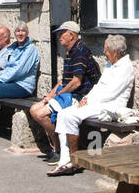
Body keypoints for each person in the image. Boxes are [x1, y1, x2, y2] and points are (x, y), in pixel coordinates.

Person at [48, 35, 135, 176]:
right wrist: (87, 98)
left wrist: (89, 102)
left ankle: (75, 161)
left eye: (106, 50)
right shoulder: (110, 64)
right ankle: (64, 160)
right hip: (97, 103)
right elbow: (99, 86)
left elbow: (112, 93)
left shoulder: (125, 67)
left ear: (115, 51)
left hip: (112, 107)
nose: (104, 52)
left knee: (71, 116)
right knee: (64, 113)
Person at [30, 21, 101, 164]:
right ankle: (58, 145)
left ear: (72, 35)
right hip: (68, 94)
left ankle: (59, 149)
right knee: (33, 109)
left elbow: (76, 82)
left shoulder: (81, 51)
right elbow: (64, 80)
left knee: (40, 113)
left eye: (62, 33)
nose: (59, 37)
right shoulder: (70, 52)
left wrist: (58, 95)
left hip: (79, 96)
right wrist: (51, 94)